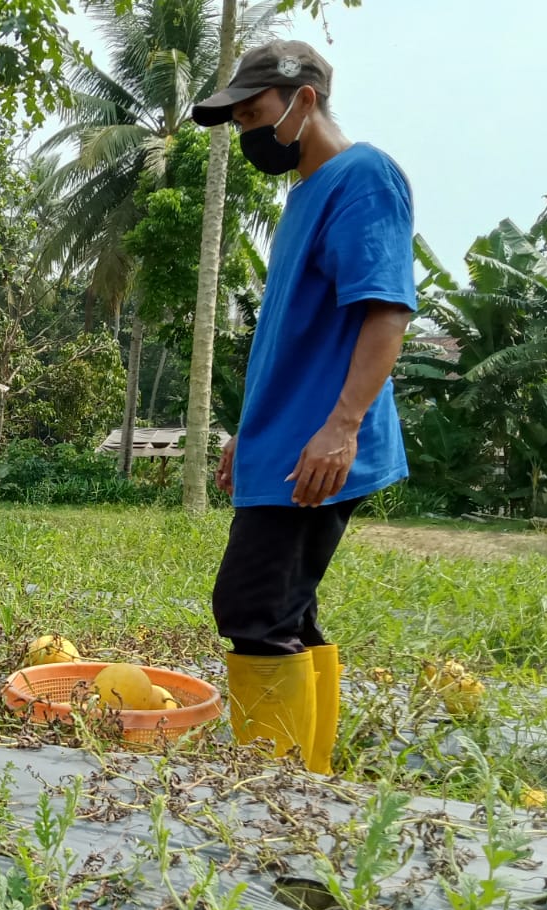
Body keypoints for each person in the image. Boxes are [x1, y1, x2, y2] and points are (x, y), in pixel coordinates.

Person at [191, 40, 416, 772]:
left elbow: (386, 312)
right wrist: (247, 435)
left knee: (252, 608)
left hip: (314, 456)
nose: (250, 132)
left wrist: (342, 426)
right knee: (287, 611)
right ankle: (306, 784)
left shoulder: (362, 176)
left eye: (255, 113)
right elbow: (295, 338)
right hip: (282, 446)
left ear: (305, 99)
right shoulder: (304, 197)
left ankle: (273, 800)